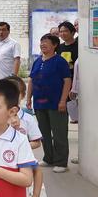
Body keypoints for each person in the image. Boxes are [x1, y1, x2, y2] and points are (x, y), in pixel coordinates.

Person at [27, 33, 72, 173]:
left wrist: (63, 100)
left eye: (46, 42)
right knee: (44, 132)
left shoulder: (60, 61)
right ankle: (49, 158)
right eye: (41, 41)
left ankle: (61, 162)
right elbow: (31, 81)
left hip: (56, 103)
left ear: (54, 45)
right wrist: (29, 98)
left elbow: (67, 81)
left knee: (59, 133)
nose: (43, 44)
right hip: (40, 103)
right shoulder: (37, 61)